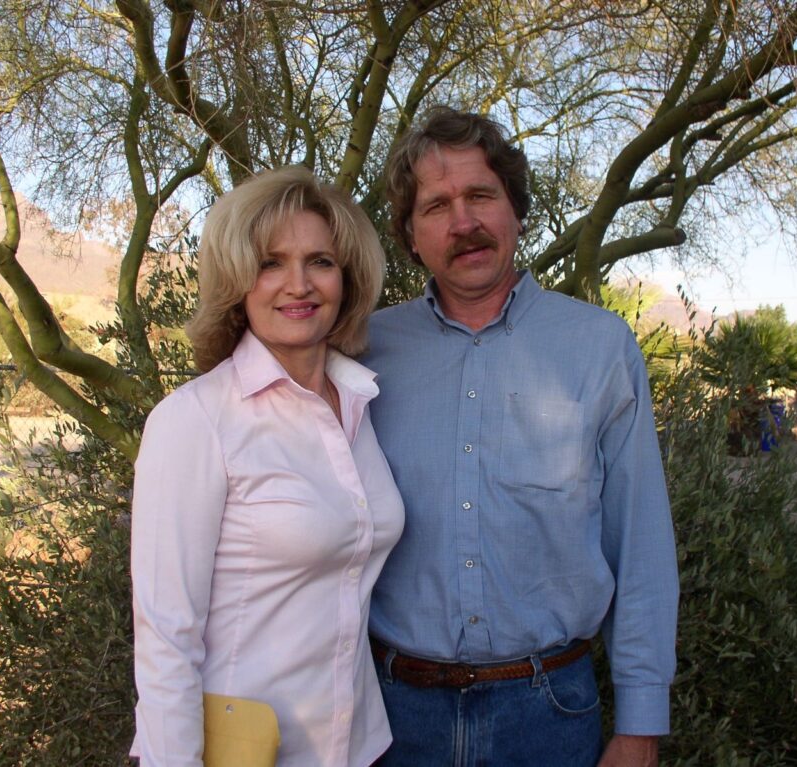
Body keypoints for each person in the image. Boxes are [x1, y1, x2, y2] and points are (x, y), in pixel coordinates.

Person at [362, 108, 679, 767]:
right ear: (410, 235)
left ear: (516, 210)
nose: (464, 222)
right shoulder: (364, 355)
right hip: (392, 718)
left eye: (481, 195)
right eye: (437, 205)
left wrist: (641, 724)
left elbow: (640, 544)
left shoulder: (599, 346)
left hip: (549, 715)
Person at [130, 166, 405, 767]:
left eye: (320, 262)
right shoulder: (196, 420)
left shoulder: (359, 403)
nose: (298, 285)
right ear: (237, 281)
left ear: (348, 277)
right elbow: (166, 636)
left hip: (360, 747)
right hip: (246, 753)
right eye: (270, 263)